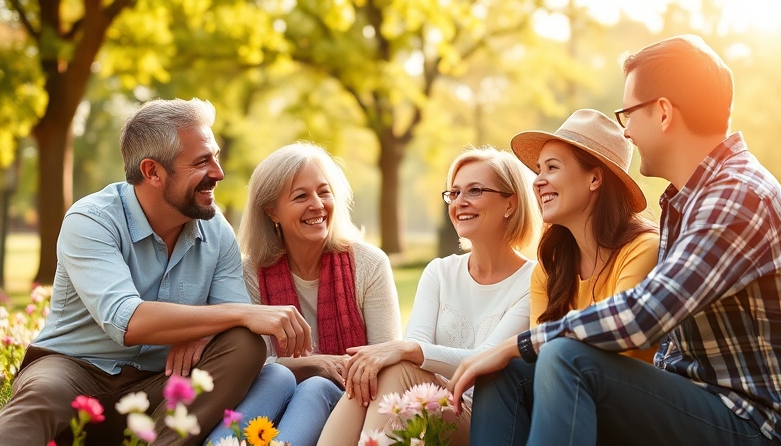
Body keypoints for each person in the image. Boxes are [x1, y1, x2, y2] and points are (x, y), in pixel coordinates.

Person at [450, 34, 781, 446]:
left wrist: (517, 344)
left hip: (760, 426)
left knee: (561, 355)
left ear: (663, 112)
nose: (626, 132)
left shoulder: (738, 195)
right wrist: (511, 356)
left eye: (628, 113)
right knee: (509, 373)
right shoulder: (688, 201)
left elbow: (645, 316)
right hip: (698, 407)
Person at [0, 98, 311, 446]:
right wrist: (238, 313)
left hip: (159, 382)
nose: (219, 173)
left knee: (245, 343)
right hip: (74, 371)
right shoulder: (91, 220)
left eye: (216, 156)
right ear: (152, 172)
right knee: (41, 395)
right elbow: (127, 321)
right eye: (202, 161)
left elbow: (235, 330)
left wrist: (207, 329)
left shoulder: (217, 231)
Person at [317, 146, 543, 446]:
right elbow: (413, 355)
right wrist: (404, 352)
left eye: (474, 191)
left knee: (396, 368)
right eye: (454, 193)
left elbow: (485, 359)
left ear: (510, 204)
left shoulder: (534, 280)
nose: (459, 202)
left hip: (484, 418)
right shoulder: (440, 272)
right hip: (430, 401)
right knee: (384, 372)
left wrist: (406, 350)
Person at [466, 108, 660, 445]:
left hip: (638, 415)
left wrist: (512, 347)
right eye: (538, 170)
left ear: (594, 179)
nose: (537, 181)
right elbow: (542, 365)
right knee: (501, 374)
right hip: (569, 405)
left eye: (552, 168)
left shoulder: (643, 249)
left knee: (551, 358)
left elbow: (620, 347)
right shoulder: (551, 268)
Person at [203, 142, 401, 446]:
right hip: (272, 403)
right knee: (279, 379)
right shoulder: (250, 274)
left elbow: (385, 359)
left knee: (315, 388)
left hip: (350, 403)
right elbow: (249, 368)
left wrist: (318, 372)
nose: (318, 205)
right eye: (301, 196)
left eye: (324, 192)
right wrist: (316, 363)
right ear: (272, 213)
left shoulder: (369, 263)